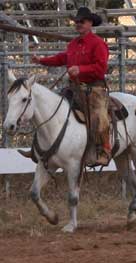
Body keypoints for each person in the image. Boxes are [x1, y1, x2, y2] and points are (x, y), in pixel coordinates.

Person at [30, 7, 111, 165]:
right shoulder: (73, 44)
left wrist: (81, 69)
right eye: (77, 21)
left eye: (82, 21)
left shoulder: (99, 44)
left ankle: (104, 150)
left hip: (95, 88)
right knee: (49, 110)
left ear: (90, 23)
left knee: (100, 117)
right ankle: (39, 147)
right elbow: (62, 58)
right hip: (74, 88)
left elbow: (101, 68)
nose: (78, 24)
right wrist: (41, 60)